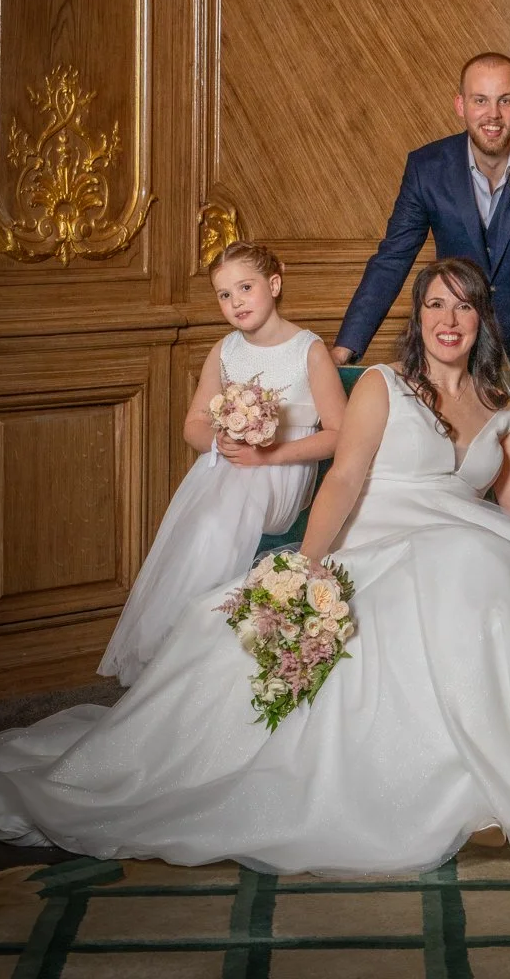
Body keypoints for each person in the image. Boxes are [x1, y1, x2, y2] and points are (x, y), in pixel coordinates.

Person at [0, 258, 510, 874]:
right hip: (380, 538)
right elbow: (344, 481)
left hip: (466, 539)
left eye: (463, 308)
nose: (449, 321)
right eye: (435, 307)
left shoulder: (499, 404)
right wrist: (306, 572)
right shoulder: (383, 385)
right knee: (463, 567)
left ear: (482, 319)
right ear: (418, 319)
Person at [98, 241, 346, 685]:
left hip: (283, 474)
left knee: (221, 513)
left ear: (274, 283)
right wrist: (224, 437)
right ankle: (181, 648)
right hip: (232, 464)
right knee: (205, 517)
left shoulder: (308, 350)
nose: (236, 303)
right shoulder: (225, 351)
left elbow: (340, 434)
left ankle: (191, 644)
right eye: (224, 295)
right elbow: (192, 425)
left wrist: (266, 453)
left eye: (245, 288)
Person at [333, 53, 510, 370]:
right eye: (480, 100)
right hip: (453, 350)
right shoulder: (426, 167)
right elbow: (392, 258)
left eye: (504, 101)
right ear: (461, 105)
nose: (492, 114)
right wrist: (345, 348)